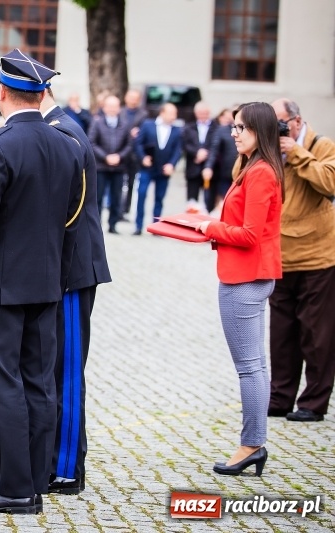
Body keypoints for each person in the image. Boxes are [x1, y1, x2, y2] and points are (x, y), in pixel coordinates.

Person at [0, 49, 83, 515]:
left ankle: (12, 487)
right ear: (41, 94)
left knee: (4, 384)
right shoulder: (67, 144)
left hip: (0, 291)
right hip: (46, 286)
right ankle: (35, 479)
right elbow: (71, 223)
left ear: (3, 93)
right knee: (40, 384)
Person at [194, 101, 283, 476]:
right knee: (256, 367)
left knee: (250, 369)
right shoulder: (253, 168)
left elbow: (249, 234)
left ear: (259, 131)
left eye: (241, 127)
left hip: (244, 277)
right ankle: (254, 442)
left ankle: (251, 445)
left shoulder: (261, 173)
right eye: (233, 126)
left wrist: (209, 228)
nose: (234, 133)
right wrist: (208, 222)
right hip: (249, 274)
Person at [41, 88, 111, 496]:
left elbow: (65, 211)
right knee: (53, 366)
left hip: (71, 270)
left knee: (66, 369)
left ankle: (66, 468)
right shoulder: (58, 127)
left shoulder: (64, 131)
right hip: (63, 267)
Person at [268, 98, 335, 422]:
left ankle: (313, 402)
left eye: (279, 123)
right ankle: (279, 399)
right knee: (281, 334)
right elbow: (240, 178)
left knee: (316, 333)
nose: (277, 129)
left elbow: (330, 182)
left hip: (316, 257)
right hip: (278, 256)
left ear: (296, 121)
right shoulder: (267, 150)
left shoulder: (321, 145)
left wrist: (297, 153)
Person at [133, 103, 182, 235]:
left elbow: (178, 150)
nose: (174, 116)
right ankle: (138, 226)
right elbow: (138, 143)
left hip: (164, 169)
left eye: (175, 114)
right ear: (162, 113)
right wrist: (143, 157)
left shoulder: (177, 130)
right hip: (147, 168)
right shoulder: (147, 125)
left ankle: (156, 227)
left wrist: (172, 164)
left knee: (159, 198)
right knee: (141, 194)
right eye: (171, 113)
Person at [87, 94, 131, 234]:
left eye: (115, 106)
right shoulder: (97, 122)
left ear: (119, 108)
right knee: (98, 197)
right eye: (110, 106)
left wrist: (119, 156)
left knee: (116, 197)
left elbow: (129, 145)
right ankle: (97, 225)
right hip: (101, 166)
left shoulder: (124, 124)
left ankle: (113, 224)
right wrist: (105, 157)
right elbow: (91, 142)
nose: (112, 109)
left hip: (119, 167)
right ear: (104, 108)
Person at [182, 101, 217, 213]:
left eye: (205, 113)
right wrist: (196, 153)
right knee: (192, 200)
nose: (202, 115)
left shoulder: (216, 127)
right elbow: (184, 145)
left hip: (210, 169)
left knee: (209, 199)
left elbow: (216, 145)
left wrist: (206, 154)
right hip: (193, 167)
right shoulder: (189, 127)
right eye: (200, 113)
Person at [202, 107, 238, 214]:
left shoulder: (248, 131)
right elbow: (214, 150)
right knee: (223, 202)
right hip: (226, 175)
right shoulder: (222, 130)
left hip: (242, 176)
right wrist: (208, 167)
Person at [121, 89, 148, 218]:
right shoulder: (120, 112)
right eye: (131, 97)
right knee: (119, 182)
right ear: (126, 98)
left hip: (134, 154)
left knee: (132, 182)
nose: (133, 100)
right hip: (121, 151)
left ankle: (126, 208)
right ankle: (117, 208)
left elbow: (144, 131)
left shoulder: (143, 115)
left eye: (136, 98)